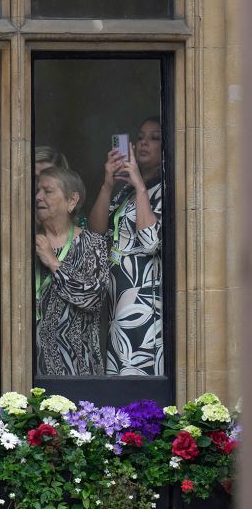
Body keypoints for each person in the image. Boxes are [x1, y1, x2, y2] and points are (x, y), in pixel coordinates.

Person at [0, 146, 79, 374]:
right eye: (34, 178)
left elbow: (87, 288)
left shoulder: (77, 226)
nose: (40, 187)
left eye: (47, 180)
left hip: (61, 335)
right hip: (6, 333)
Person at [90, 116, 165, 376]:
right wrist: (109, 184)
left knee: (136, 371)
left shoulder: (165, 190)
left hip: (143, 301)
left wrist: (140, 186)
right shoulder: (125, 192)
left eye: (154, 138)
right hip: (117, 299)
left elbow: (150, 241)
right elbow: (96, 234)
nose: (144, 143)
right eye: (141, 137)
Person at [34, 166, 109, 376]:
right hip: (27, 365)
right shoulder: (24, 244)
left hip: (77, 365)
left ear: (72, 200)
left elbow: (93, 298)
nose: (38, 197)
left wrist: (52, 262)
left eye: (47, 191)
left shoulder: (92, 244)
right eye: (37, 191)